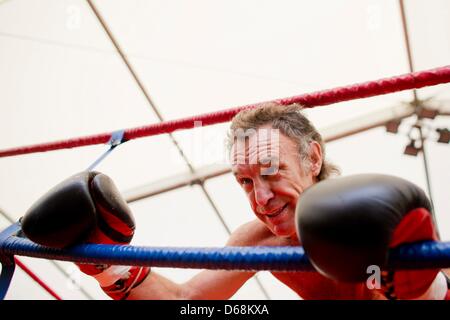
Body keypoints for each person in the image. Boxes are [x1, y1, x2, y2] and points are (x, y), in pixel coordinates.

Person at [21, 103, 449, 300]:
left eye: (270, 172)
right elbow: (187, 303)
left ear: (312, 157)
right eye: (244, 182)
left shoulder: (372, 211)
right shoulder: (257, 240)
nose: (260, 198)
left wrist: (421, 284)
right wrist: (107, 263)